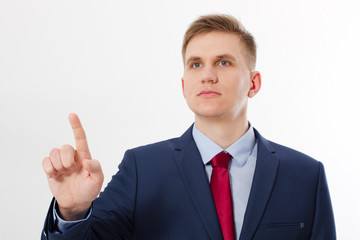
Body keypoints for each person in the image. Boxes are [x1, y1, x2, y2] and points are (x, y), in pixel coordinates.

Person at [41, 14, 336, 240]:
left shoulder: (306, 176)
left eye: (223, 62)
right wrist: (72, 211)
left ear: (254, 83)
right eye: (195, 64)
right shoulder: (142, 169)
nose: (207, 75)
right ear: (184, 86)